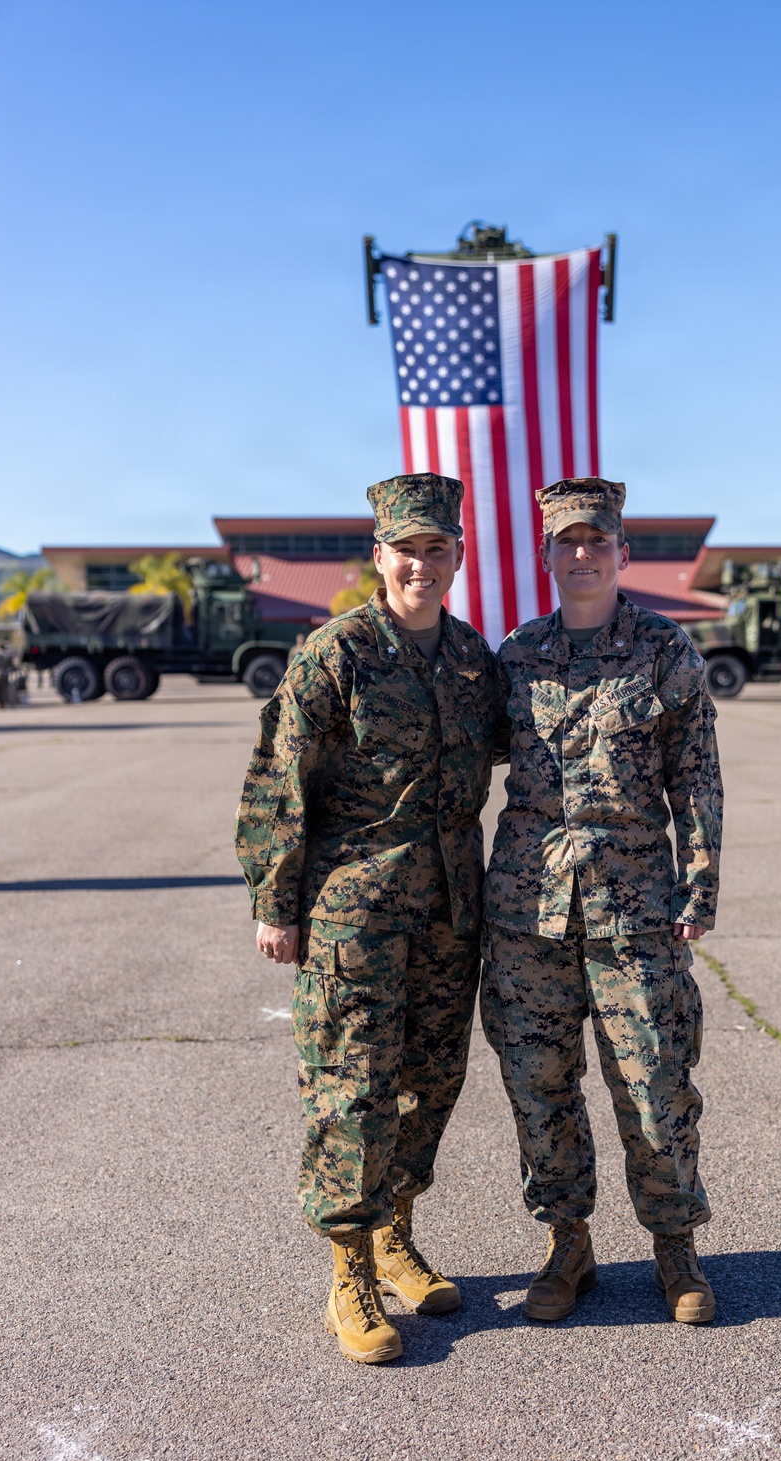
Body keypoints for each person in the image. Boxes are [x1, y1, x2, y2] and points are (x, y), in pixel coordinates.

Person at [235, 473, 503, 1364]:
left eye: (438, 549)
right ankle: (348, 1268)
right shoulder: (335, 651)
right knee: (352, 1088)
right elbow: (280, 778)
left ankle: (397, 1234)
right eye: (406, 550)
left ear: (457, 557)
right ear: (377, 556)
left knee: (432, 1081)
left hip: (449, 913)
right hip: (354, 910)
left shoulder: (472, 660)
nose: (421, 564)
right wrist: (276, 905)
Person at [481, 477, 723, 1325]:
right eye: (566, 541)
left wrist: (699, 885)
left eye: (596, 540)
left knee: (656, 1080)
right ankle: (567, 1244)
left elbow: (696, 779)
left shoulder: (665, 650)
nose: (581, 555)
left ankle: (675, 1248)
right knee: (539, 1084)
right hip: (526, 911)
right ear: (546, 555)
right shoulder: (514, 657)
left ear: (623, 552)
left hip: (636, 909)